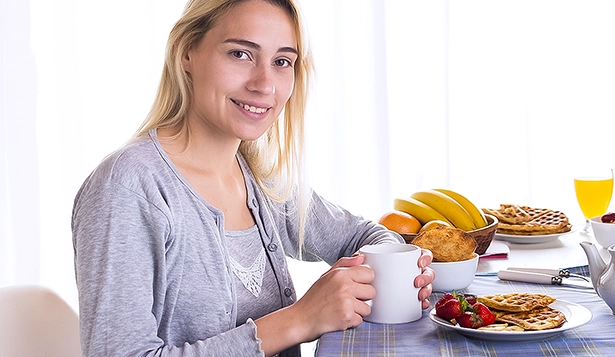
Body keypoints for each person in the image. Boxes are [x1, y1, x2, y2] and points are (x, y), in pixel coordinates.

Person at [71, 0, 434, 356]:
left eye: (281, 62)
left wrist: (399, 271)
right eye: (240, 54)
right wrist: (300, 319)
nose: (264, 84)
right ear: (187, 52)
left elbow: (362, 236)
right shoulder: (128, 188)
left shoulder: (260, 178)